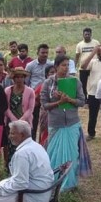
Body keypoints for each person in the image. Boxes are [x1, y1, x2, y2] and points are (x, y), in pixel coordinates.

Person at [40, 55, 91, 192]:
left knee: (72, 154)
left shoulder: (75, 82)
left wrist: (69, 100)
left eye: (68, 65)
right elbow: (44, 105)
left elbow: (82, 101)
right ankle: (54, 182)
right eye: (63, 65)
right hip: (56, 124)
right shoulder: (48, 83)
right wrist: (59, 103)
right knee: (54, 153)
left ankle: (70, 184)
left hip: (72, 124)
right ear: (56, 67)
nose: (66, 68)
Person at [4, 67, 35, 164]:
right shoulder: (7, 90)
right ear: (13, 78)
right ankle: (10, 167)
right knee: (11, 145)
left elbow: (30, 109)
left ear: (25, 78)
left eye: (21, 77)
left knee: (24, 145)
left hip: (25, 124)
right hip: (11, 123)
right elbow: (6, 107)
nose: (19, 79)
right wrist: (13, 119)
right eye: (17, 77)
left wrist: (21, 120)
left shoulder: (30, 91)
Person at [81, 45, 101, 141]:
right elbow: (83, 66)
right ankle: (91, 133)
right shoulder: (93, 62)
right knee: (92, 115)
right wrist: (93, 53)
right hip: (93, 93)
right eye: (99, 53)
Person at [25, 44, 53, 139]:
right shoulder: (30, 65)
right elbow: (27, 82)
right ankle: (32, 140)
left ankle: (44, 141)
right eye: (42, 52)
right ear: (37, 53)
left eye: (46, 53)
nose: (45, 55)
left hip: (48, 97)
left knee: (46, 122)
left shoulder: (51, 65)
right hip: (35, 98)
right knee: (34, 121)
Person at [75, 27, 100, 100]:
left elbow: (99, 53)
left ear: (91, 34)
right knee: (83, 84)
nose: (87, 36)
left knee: (94, 83)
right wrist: (74, 66)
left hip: (94, 67)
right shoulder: (79, 45)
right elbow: (77, 56)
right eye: (85, 34)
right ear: (83, 35)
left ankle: (95, 98)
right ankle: (85, 100)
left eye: (88, 34)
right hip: (83, 67)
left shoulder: (96, 43)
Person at [34, 65, 56, 146]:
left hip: (57, 116)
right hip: (45, 114)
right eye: (52, 72)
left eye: (56, 72)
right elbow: (34, 99)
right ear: (46, 75)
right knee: (45, 136)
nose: (54, 74)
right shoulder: (42, 86)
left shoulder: (62, 85)